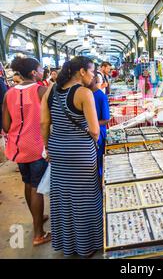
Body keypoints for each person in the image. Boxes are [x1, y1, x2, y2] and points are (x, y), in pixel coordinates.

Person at [40, 56, 102, 257]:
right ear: (82, 71)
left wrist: (48, 147)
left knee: (64, 198)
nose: (93, 76)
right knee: (85, 197)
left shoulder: (52, 90)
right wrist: (95, 136)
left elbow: (44, 123)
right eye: (92, 72)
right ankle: (87, 246)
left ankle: (69, 245)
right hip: (80, 152)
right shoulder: (83, 93)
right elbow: (94, 130)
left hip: (57, 150)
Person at [2, 56, 50, 246]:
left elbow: (5, 126)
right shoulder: (41, 91)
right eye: (40, 69)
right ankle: (39, 234)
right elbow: (50, 120)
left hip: (17, 146)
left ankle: (37, 219)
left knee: (28, 183)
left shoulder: (9, 93)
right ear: (33, 72)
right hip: (37, 146)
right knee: (37, 188)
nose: (42, 72)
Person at [88, 73, 110, 180]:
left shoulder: (101, 96)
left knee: (99, 163)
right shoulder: (85, 95)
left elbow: (106, 119)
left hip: (98, 135)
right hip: (89, 135)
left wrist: (91, 125)